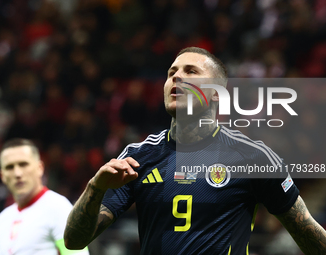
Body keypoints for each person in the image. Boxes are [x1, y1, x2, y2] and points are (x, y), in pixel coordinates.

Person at [64, 47, 326, 254]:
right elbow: (74, 241)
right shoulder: (138, 156)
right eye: (171, 72)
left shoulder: (252, 156)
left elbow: (307, 233)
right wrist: (95, 189)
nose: (176, 77)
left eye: (191, 71)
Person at [0, 138, 89, 255]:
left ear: (40, 168)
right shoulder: (3, 219)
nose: (17, 173)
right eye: (10, 167)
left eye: (23, 164)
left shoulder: (58, 207)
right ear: (2, 176)